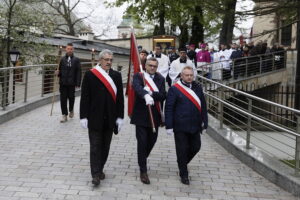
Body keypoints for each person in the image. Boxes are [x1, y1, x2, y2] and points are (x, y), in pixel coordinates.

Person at [80, 49, 124, 186]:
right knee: (95, 147)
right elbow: (85, 97)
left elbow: (120, 99)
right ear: (100, 60)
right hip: (94, 117)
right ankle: (95, 175)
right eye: (106, 60)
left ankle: (100, 169)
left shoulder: (116, 76)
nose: (109, 62)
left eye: (111, 60)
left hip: (110, 118)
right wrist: (83, 116)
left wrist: (120, 117)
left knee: (105, 147)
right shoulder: (90, 75)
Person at [165, 66, 208, 185]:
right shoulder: (174, 89)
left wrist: (205, 122)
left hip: (195, 124)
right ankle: (184, 174)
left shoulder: (198, 88)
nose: (189, 77)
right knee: (182, 150)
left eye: (191, 75)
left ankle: (182, 163)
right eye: (187, 75)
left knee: (196, 147)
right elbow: (169, 108)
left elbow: (203, 106)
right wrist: (169, 125)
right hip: (180, 126)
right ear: (181, 76)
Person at [130, 57, 166, 184]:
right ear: (145, 66)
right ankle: (143, 170)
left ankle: (142, 158)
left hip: (154, 116)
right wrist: (145, 94)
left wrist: (151, 94)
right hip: (141, 116)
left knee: (152, 140)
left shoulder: (161, 79)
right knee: (142, 142)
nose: (152, 68)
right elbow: (136, 88)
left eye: (154, 66)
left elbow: (163, 95)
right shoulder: (139, 76)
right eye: (150, 65)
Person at [56, 43, 81, 123]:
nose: (69, 50)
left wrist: (78, 83)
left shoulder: (76, 60)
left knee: (71, 98)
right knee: (63, 99)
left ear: (73, 50)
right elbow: (59, 72)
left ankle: (71, 110)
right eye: (68, 49)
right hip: (63, 83)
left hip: (72, 83)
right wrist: (57, 73)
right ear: (65, 49)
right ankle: (64, 115)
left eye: (71, 49)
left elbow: (78, 72)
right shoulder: (62, 59)